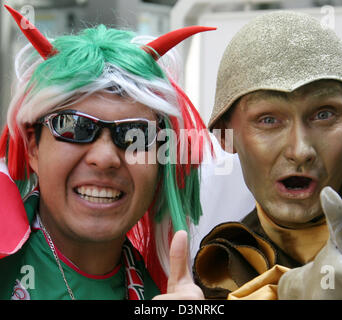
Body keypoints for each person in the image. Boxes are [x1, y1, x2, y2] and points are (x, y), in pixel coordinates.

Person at [0, 5, 214, 300]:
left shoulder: (166, 293)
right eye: (74, 126)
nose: (104, 158)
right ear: (33, 146)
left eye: (135, 135)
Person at [193, 10, 342, 299]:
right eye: (268, 120)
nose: (300, 151)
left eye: (324, 115)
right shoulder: (223, 266)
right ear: (225, 135)